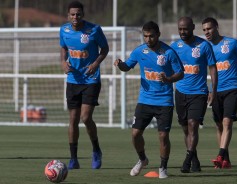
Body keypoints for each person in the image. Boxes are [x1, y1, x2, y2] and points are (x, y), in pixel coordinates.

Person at [114, 21, 184, 179]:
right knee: (135, 134)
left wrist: (168, 79)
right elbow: (127, 66)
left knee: (163, 136)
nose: (148, 39)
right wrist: (120, 64)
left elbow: (181, 73)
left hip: (164, 101)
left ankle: (163, 168)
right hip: (145, 100)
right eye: (145, 36)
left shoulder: (169, 52)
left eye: (151, 36)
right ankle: (142, 159)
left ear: (158, 35)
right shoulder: (139, 51)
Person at [202, 17, 237, 169]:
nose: (206, 32)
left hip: (232, 88)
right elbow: (202, 71)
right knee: (219, 125)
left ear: (216, 27)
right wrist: (207, 90)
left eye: (209, 28)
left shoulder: (231, 43)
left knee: (227, 122)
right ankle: (225, 161)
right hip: (215, 91)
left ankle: (220, 155)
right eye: (204, 30)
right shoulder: (205, 48)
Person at [59, 1, 109, 170]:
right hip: (73, 80)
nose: (75, 17)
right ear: (68, 15)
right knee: (73, 119)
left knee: (85, 117)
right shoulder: (64, 30)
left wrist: (95, 64)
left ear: (83, 14)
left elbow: (105, 49)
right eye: (72, 14)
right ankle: (73, 158)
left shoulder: (94, 30)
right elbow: (63, 48)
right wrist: (63, 62)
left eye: (78, 14)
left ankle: (96, 150)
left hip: (91, 79)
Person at [170, 17, 218, 173]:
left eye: (185, 29)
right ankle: (195, 159)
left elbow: (212, 68)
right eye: (180, 29)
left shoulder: (204, 45)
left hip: (199, 93)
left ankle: (187, 161)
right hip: (180, 93)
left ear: (193, 28)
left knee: (193, 126)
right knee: (185, 129)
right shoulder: (174, 46)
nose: (182, 32)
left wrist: (213, 90)